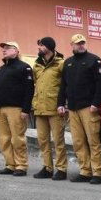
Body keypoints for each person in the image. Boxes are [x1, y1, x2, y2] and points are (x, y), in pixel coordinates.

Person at [59, 34, 101, 184]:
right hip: (72, 108)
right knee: (78, 141)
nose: (81, 45)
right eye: (77, 43)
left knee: (93, 140)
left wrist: (96, 103)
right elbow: (63, 86)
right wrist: (61, 103)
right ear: (71, 45)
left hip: (89, 108)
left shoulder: (94, 60)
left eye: (83, 43)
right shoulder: (68, 63)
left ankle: (98, 172)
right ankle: (85, 171)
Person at [0, 41, 34, 176]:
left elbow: (29, 89)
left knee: (17, 138)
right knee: (3, 139)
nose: (4, 50)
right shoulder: (0, 70)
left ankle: (21, 165)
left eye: (8, 48)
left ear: (16, 51)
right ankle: (10, 164)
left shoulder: (24, 68)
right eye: (3, 48)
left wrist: (26, 109)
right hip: (0, 109)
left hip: (16, 108)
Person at [31, 37, 67, 180]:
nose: (39, 48)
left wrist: (63, 104)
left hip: (55, 108)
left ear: (49, 47)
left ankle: (62, 169)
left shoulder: (61, 63)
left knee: (58, 140)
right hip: (39, 108)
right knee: (43, 140)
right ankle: (47, 167)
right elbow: (35, 84)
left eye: (41, 45)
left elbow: (66, 85)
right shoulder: (37, 65)